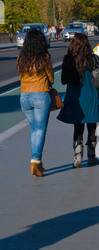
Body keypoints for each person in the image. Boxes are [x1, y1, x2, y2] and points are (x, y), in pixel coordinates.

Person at [57, 33, 99, 168]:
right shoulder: (93, 58)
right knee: (92, 126)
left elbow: (63, 80)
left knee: (78, 127)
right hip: (92, 96)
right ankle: (91, 156)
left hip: (75, 97)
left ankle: (78, 155)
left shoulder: (68, 59)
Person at [17, 29, 54, 177]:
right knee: (40, 130)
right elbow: (50, 77)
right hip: (40, 94)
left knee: (34, 130)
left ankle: (38, 161)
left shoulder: (21, 58)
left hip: (24, 96)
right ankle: (35, 162)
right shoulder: (44, 57)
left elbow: (20, 76)